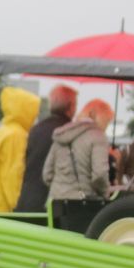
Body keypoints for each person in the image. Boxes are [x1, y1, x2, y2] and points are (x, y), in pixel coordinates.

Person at [45, 98, 114, 230]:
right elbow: (99, 175)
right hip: (81, 207)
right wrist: (105, 195)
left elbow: (47, 174)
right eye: (107, 120)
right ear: (100, 116)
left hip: (54, 204)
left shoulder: (61, 134)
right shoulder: (98, 136)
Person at [0, 86, 39, 213]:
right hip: (0, 210)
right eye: (33, 112)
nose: (34, 117)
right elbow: (12, 175)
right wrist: (18, 207)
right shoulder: (16, 135)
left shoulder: (4, 130)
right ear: (24, 111)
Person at [16, 83, 76, 214]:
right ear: (71, 107)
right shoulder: (71, 133)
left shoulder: (35, 130)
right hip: (53, 206)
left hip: (26, 200)